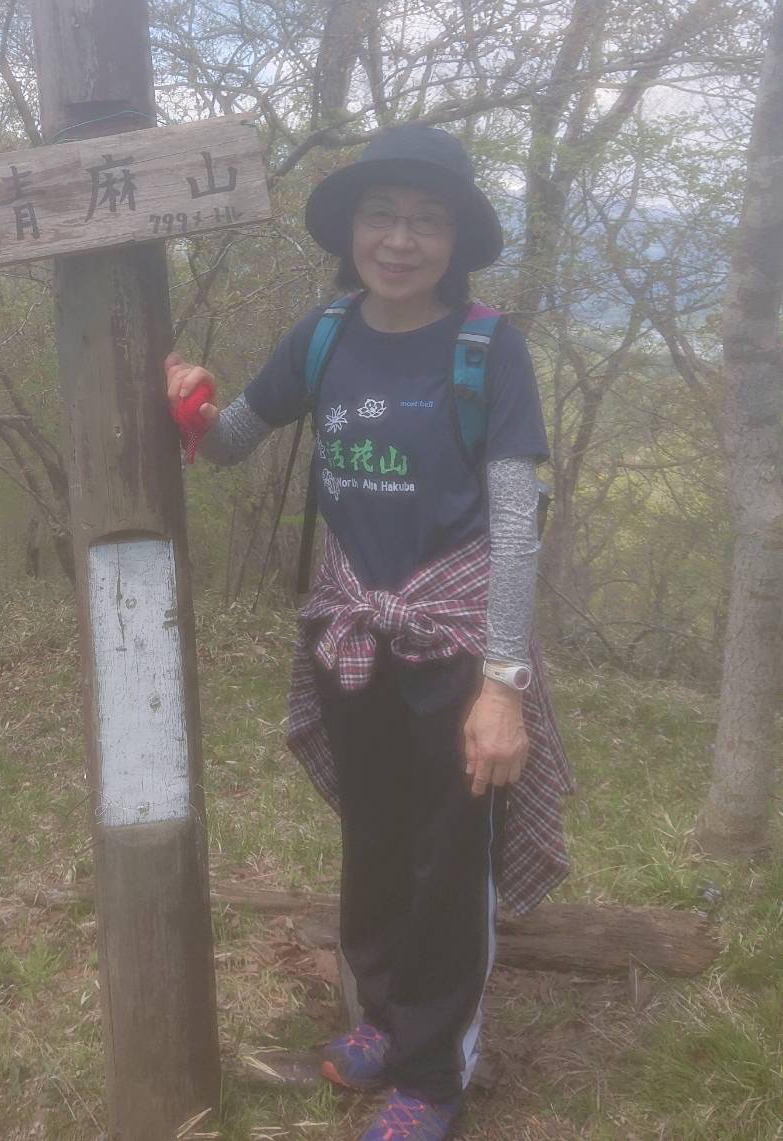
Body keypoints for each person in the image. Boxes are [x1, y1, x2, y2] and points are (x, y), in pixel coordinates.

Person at [165, 125, 572, 1141]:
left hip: (453, 648)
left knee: (448, 863)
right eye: (382, 214)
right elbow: (227, 444)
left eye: (426, 219)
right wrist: (184, 399)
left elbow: (517, 522)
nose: (400, 237)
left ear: (455, 239)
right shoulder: (324, 335)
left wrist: (502, 685)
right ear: (352, 229)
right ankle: (386, 1022)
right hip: (352, 635)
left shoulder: (488, 348)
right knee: (376, 842)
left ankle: (433, 1076)